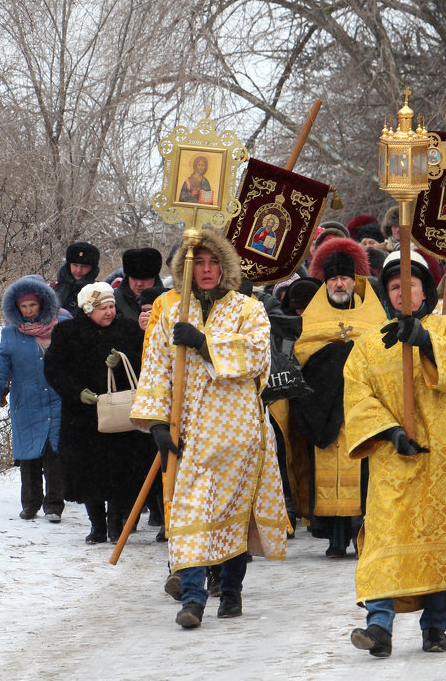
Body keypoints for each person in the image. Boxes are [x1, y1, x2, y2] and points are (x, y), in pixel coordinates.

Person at [131, 228, 288, 628]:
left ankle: (231, 591)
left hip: (239, 432)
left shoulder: (247, 308)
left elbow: (257, 358)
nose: (205, 269)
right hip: (188, 433)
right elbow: (157, 369)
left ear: (225, 267)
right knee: (189, 514)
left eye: (212, 262)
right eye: (197, 263)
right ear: (185, 268)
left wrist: (204, 343)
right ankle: (194, 600)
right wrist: (156, 424)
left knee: (233, 513)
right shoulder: (169, 312)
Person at [343, 249, 446, 657]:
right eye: (394, 286)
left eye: (410, 284)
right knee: (385, 541)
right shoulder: (370, 343)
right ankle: (379, 627)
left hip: (442, 459)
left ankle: (436, 627)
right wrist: (388, 431)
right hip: (393, 460)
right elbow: (357, 393)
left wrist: (425, 340)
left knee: (441, 541)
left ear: (424, 291)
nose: (403, 292)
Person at [291, 238, 386, 558]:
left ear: (354, 280)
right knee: (328, 476)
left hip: (360, 407)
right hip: (325, 407)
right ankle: (335, 538)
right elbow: (304, 351)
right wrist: (333, 357)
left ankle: (361, 534)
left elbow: (381, 351)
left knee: (361, 475)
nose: (339, 283)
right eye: (333, 279)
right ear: (326, 282)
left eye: (344, 278)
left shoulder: (372, 313)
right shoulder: (314, 316)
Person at [43, 282, 153, 545]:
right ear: (87, 309)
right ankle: (97, 526)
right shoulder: (67, 333)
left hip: (120, 415)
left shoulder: (127, 329)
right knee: (88, 471)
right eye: (103, 308)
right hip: (82, 417)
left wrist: (126, 358)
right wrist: (77, 391)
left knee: (121, 470)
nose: (110, 312)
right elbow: (55, 369)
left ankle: (116, 522)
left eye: (112, 306)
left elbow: (147, 360)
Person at [0, 275, 66, 522]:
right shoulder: (10, 334)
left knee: (54, 455)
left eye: (33, 305)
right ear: (17, 308)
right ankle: (30, 504)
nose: (28, 311)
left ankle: (53, 506)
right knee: (29, 457)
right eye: (23, 307)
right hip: (26, 403)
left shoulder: (60, 327)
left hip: (57, 401)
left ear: (42, 304)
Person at [114, 247, 164, 324]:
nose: (139, 284)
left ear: (154, 278)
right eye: (134, 278)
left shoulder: (168, 301)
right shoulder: (113, 300)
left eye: (145, 279)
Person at [51, 241, 100, 316]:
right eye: (75, 265)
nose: (78, 270)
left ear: (92, 268)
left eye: (84, 266)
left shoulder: (99, 292)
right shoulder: (53, 290)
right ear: (68, 265)